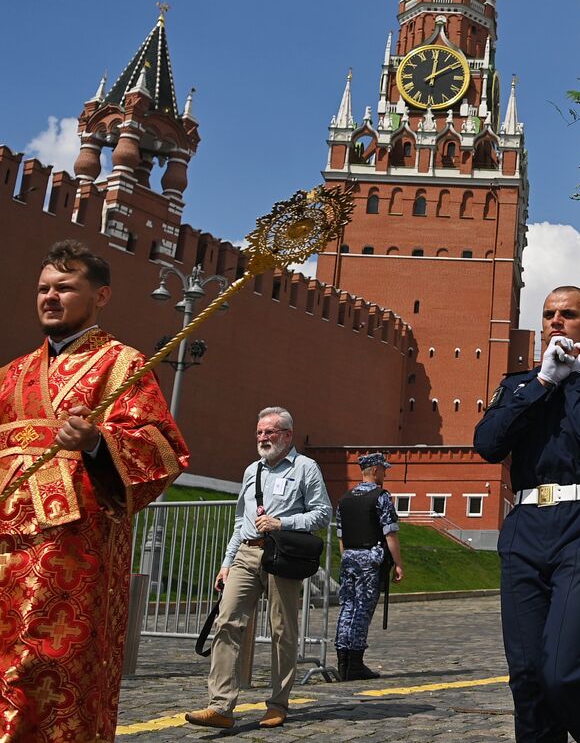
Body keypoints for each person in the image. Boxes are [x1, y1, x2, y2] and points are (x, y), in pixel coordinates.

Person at [0, 240, 189, 741]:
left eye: (65, 287)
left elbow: (162, 449)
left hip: (72, 553)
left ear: (100, 296)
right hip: (5, 548)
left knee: (50, 665)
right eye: (43, 288)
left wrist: (96, 442)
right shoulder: (12, 376)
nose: (50, 297)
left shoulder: (121, 365)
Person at [474, 285, 580, 743]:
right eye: (549, 314)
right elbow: (488, 444)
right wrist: (543, 383)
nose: (555, 321)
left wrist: (577, 382)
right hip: (526, 527)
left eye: (568, 314)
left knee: (563, 671)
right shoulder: (519, 384)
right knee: (526, 677)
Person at [186, 407, 332, 729]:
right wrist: (226, 563)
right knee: (227, 621)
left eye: (270, 432)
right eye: (259, 433)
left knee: (282, 631)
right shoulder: (252, 470)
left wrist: (284, 522)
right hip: (247, 554)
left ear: (288, 435)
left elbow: (323, 513)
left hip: (282, 556)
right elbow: (241, 520)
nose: (263, 438)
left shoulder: (306, 468)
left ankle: (278, 703)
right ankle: (221, 706)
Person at [334, 452, 405, 680]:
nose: (385, 473)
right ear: (375, 470)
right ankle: (355, 663)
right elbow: (390, 533)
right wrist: (398, 564)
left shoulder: (345, 499)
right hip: (370, 559)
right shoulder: (381, 497)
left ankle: (342, 661)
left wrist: (348, 557)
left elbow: (341, 536)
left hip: (349, 558)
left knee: (347, 607)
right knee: (363, 609)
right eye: (384, 469)